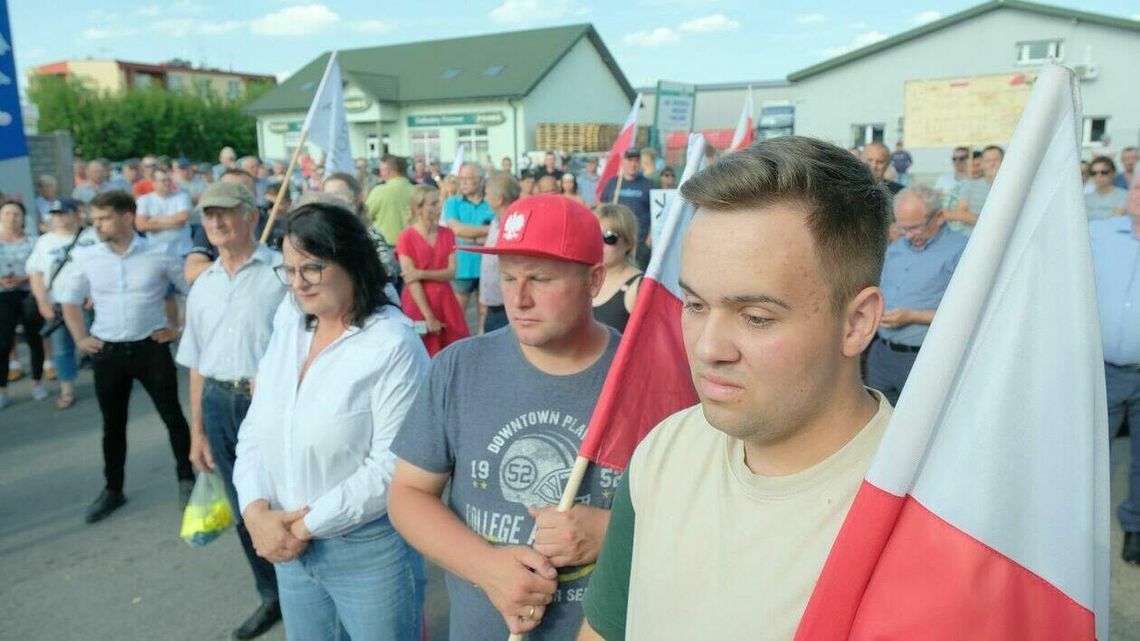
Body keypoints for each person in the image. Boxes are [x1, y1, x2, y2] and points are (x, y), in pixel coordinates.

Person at [579, 135, 893, 641]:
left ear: (857, 322)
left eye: (756, 317)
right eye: (696, 305)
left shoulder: (929, 519)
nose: (708, 348)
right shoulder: (664, 452)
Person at [388, 193, 618, 641]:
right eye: (507, 277)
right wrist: (486, 568)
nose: (519, 298)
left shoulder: (644, 376)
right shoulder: (459, 367)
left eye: (540, 278)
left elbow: (706, 522)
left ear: (594, 280)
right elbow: (408, 494)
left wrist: (615, 531)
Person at [233, 200, 429, 641]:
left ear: (352, 262)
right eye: (288, 270)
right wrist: (256, 510)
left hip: (367, 551)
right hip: (288, 548)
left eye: (312, 268)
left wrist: (300, 527)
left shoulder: (392, 344)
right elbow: (258, 426)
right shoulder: (290, 323)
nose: (298, 284)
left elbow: (394, 467)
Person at [176, 181, 286, 640]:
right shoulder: (203, 285)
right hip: (220, 402)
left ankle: (306, 591)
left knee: (286, 500)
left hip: (271, 403)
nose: (216, 222)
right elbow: (198, 362)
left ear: (252, 216)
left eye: (226, 212)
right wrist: (196, 432)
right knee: (245, 508)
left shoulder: (282, 273)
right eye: (208, 215)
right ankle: (270, 595)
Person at [59, 190, 193, 523]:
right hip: (108, 352)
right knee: (112, 425)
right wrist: (80, 339)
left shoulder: (159, 253)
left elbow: (192, 290)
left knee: (173, 417)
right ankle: (113, 489)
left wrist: (180, 330)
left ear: (127, 217)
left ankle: (186, 479)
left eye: (104, 218)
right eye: (95, 218)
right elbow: (69, 299)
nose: (97, 225)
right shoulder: (87, 256)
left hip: (151, 348)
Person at [866, 185, 967, 405]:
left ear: (939, 217)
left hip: (922, 359)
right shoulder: (897, 247)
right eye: (903, 228)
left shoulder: (961, 250)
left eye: (915, 228)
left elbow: (968, 312)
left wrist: (913, 317)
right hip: (881, 353)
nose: (909, 235)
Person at [1090, 177, 1140, 563]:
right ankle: (1082, 534)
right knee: (1090, 455)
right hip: (1102, 371)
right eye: (1138, 188)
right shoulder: (1099, 232)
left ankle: (1135, 527)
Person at [25, 198, 98, 409]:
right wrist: (42, 302)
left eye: (63, 213)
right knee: (62, 347)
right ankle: (67, 388)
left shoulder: (92, 236)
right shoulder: (45, 241)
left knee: (99, 343)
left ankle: (109, 381)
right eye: (55, 214)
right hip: (58, 303)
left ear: (76, 213)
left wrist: (96, 293)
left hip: (88, 302)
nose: (58, 217)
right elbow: (36, 274)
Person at [397, 185, 469, 356]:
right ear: (418, 208)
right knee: (421, 354)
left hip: (446, 301)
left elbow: (451, 272)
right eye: (433, 203)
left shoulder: (447, 234)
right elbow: (411, 280)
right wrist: (428, 316)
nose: (439, 207)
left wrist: (421, 273)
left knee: (455, 352)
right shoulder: (406, 237)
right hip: (418, 303)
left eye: (439, 202)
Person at [0, 201, 46, 409]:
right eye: (7, 213)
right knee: (3, 342)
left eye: (16, 214)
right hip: (3, 296)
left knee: (34, 338)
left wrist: (23, 279)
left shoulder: (34, 242)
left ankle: (37, 382)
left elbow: (42, 267)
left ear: (23, 218)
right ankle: (2, 390)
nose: (11, 217)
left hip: (29, 293)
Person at [442, 162, 494, 329]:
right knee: (457, 313)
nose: (462, 182)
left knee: (485, 312)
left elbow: (500, 228)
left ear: (480, 180)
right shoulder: (452, 203)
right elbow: (457, 229)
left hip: (487, 265)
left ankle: (482, 344)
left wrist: (470, 234)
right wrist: (489, 231)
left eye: (468, 178)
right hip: (462, 266)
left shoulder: (491, 202)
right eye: (461, 178)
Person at [478, 171, 521, 334]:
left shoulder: (514, 225)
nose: (485, 199)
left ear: (499, 198)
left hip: (506, 307)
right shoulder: (496, 221)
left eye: (487, 194)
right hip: (493, 305)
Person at [591, 204, 642, 333]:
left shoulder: (639, 287)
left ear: (628, 243)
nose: (600, 243)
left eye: (609, 238)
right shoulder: (579, 278)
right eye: (594, 235)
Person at [599, 150, 654, 269]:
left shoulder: (649, 185)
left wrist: (648, 241)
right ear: (623, 162)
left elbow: (656, 215)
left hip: (639, 242)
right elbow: (602, 209)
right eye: (630, 160)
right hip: (615, 241)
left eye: (636, 161)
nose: (633, 164)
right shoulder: (613, 183)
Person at [135, 168, 193, 257]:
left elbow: (183, 218)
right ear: (154, 182)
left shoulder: (182, 196)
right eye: (163, 180)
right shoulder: (144, 200)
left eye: (169, 180)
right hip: (155, 253)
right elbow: (141, 225)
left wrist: (153, 219)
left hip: (182, 251)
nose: (167, 183)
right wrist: (174, 224)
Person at [948, 145, 1003, 236]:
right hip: (972, 238)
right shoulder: (971, 185)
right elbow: (959, 212)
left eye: (996, 160)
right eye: (988, 161)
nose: (992, 164)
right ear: (983, 164)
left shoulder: (1015, 185)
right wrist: (988, 223)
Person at [365, 155, 414, 247]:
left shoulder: (379, 191)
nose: (381, 174)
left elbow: (365, 216)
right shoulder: (416, 191)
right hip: (411, 246)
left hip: (386, 247)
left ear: (389, 171)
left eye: (382, 170)